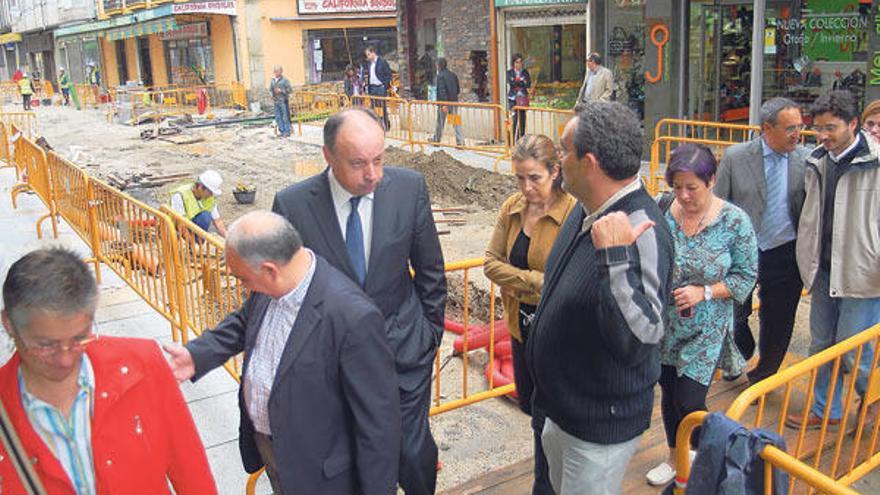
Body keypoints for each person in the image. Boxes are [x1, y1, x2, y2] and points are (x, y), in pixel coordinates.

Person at [272, 107, 446, 495]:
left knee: (411, 453)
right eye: (358, 163)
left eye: (379, 160)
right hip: (333, 368)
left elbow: (431, 270)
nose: (373, 175)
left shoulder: (409, 188)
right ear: (328, 156)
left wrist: (428, 336)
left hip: (403, 354)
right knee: (352, 462)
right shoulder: (293, 206)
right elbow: (281, 295)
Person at [164, 211, 400, 494]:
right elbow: (244, 322)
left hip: (322, 475)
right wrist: (197, 355)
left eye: (243, 279)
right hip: (275, 451)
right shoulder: (272, 285)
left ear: (270, 270)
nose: (243, 286)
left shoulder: (352, 317)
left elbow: (379, 425)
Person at [526, 102, 674, 495]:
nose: (558, 159)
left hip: (593, 429)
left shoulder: (641, 231)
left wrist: (615, 257)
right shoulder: (587, 207)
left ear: (588, 162)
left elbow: (640, 339)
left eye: (563, 150)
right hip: (558, 409)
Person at [0, 247, 217, 494]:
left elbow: (191, 470)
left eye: (79, 339)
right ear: (9, 323)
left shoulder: (144, 364)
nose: (64, 359)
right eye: (44, 345)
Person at [645, 144, 758, 486]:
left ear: (711, 181)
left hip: (707, 323)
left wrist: (704, 291)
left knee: (690, 398)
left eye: (691, 187)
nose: (683, 195)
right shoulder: (665, 209)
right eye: (676, 186)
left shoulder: (734, 221)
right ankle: (674, 454)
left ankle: (709, 458)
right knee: (669, 391)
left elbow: (745, 275)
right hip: (666, 322)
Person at [484, 134, 576, 495]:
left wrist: (525, 282)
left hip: (558, 332)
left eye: (534, 177)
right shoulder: (512, 208)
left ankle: (548, 484)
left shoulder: (572, 212)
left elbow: (569, 277)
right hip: (521, 326)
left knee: (553, 416)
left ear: (555, 172)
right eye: (520, 177)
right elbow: (491, 263)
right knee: (530, 405)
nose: (526, 187)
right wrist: (534, 281)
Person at [786, 90, 880, 429]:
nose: (823, 135)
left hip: (863, 274)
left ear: (853, 124)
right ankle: (827, 410)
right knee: (822, 345)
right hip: (823, 270)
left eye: (831, 128)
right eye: (818, 128)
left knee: (856, 351)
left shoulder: (876, 162)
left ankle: (872, 402)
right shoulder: (816, 160)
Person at [714, 97, 807, 384]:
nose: (798, 134)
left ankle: (765, 373)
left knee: (779, 318)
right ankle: (739, 349)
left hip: (786, 252)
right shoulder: (736, 157)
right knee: (733, 311)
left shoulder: (807, 159)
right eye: (790, 128)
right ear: (767, 128)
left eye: (800, 126)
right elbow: (718, 204)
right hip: (743, 250)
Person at [168, 170, 228, 237]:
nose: (211, 195)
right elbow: (180, 224)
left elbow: (218, 222)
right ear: (200, 187)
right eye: (210, 192)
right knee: (204, 217)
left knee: (205, 216)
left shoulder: (209, 198)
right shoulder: (180, 195)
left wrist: (228, 238)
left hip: (189, 227)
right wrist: (193, 245)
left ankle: (197, 241)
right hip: (174, 229)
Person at [432, 57, 464, 147]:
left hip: (444, 104)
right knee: (456, 123)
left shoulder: (440, 76)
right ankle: (460, 142)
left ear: (439, 66)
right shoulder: (453, 75)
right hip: (453, 103)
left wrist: (444, 104)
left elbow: (442, 91)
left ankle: (436, 140)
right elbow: (458, 89)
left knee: (440, 122)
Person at [364, 44, 392, 130]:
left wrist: (385, 85)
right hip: (372, 87)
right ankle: (376, 125)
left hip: (380, 87)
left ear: (373, 53)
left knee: (382, 107)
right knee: (374, 108)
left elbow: (388, 74)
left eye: (368, 54)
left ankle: (386, 124)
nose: (367, 57)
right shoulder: (369, 64)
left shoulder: (382, 62)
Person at [507, 54, 531, 143]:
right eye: (517, 62)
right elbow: (512, 83)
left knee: (522, 119)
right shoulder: (509, 72)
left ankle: (520, 140)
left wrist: (518, 81)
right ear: (513, 63)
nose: (519, 64)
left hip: (522, 98)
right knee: (513, 119)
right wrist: (521, 81)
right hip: (513, 99)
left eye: (520, 62)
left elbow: (528, 84)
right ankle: (510, 141)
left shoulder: (525, 72)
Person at [269, 65, 292, 138]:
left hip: (283, 101)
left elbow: (290, 90)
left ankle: (287, 131)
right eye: (274, 71)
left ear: (281, 72)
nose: (275, 73)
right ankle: (281, 131)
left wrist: (281, 91)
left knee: (285, 116)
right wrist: (271, 95)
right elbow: (270, 89)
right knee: (278, 117)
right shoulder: (272, 80)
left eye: (277, 71)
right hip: (276, 101)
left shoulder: (285, 80)